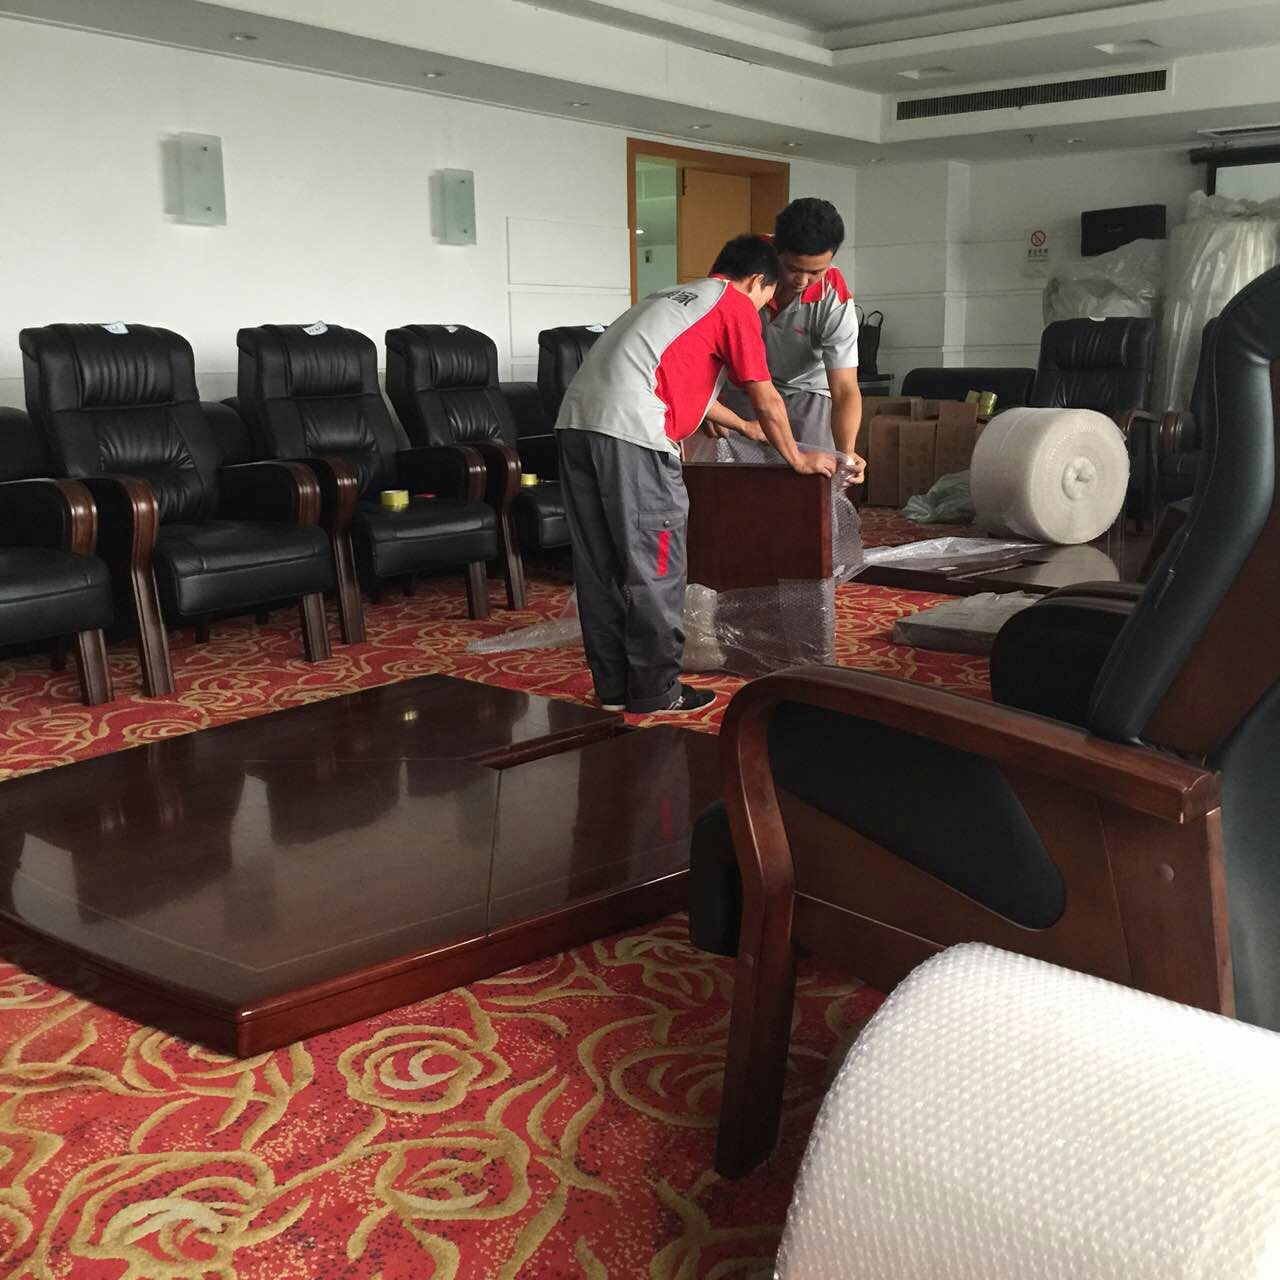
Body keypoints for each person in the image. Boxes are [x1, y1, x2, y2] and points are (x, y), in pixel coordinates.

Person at [556, 234, 836, 715]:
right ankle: (656, 691)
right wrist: (797, 457)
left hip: (575, 427)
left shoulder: (672, 297)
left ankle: (613, 688)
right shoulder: (734, 305)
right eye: (770, 295)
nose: (767, 307)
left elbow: (673, 378)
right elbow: (766, 394)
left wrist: (744, 427)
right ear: (757, 280)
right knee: (656, 565)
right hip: (634, 437)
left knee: (600, 566)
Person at [712, 198, 867, 479]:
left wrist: (846, 453)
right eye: (793, 268)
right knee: (740, 479)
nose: (802, 281)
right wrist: (710, 406)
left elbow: (845, 388)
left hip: (805, 389)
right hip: (743, 386)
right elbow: (709, 342)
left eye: (816, 272)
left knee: (814, 476)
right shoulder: (741, 265)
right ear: (775, 251)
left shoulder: (834, 297)